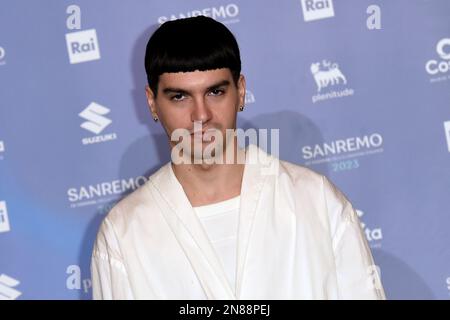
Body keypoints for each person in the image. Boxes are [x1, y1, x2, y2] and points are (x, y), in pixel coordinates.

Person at [90, 16, 386, 300]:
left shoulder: (318, 202)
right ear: (152, 102)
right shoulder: (123, 233)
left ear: (241, 91)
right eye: (179, 97)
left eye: (215, 92)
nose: (201, 115)